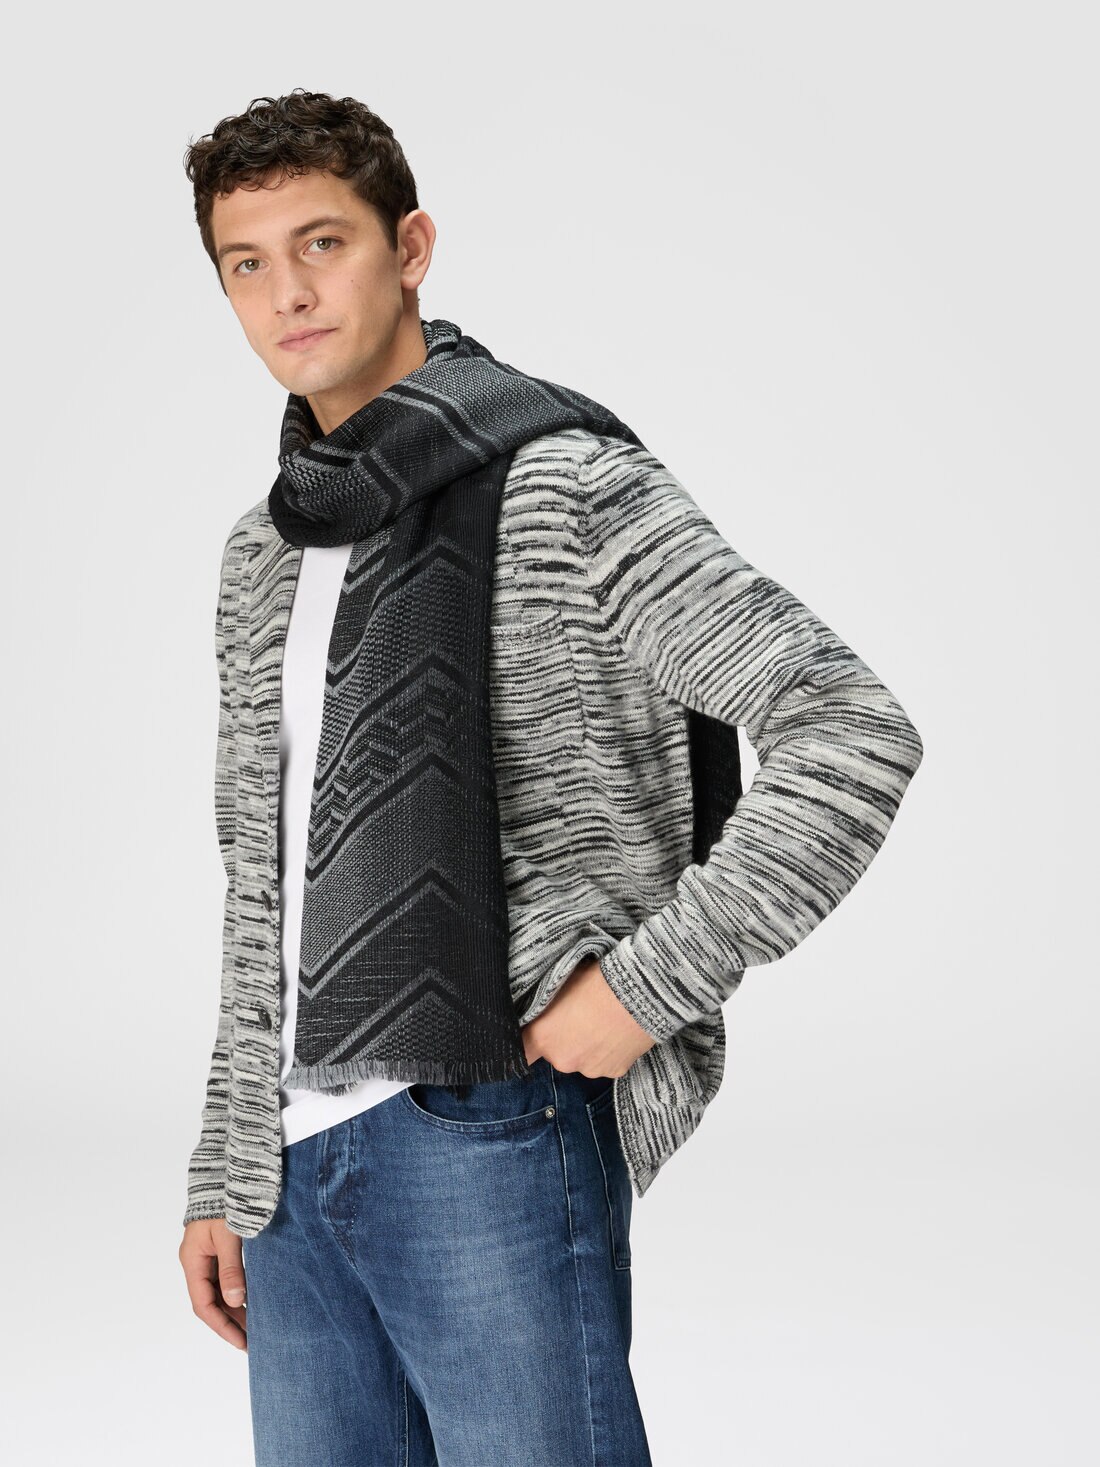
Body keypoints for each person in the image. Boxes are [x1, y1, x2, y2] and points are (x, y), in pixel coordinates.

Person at [178, 89, 923, 1467]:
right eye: (247, 263)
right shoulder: (262, 553)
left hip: (482, 1125)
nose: (288, 293)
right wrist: (225, 1161)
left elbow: (849, 729)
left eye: (323, 243)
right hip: (287, 1171)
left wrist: (641, 991)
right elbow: (260, 879)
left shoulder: (562, 485)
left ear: (411, 248)